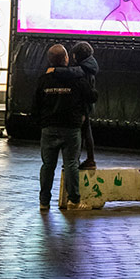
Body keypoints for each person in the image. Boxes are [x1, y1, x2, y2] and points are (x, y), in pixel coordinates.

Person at [34, 44, 97, 212]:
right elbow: (92, 96)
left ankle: (44, 202)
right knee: (71, 164)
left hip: (48, 128)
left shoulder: (43, 79)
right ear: (66, 59)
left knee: (47, 165)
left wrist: (42, 123)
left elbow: (35, 105)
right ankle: (73, 201)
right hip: (71, 128)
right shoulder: (77, 78)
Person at [50, 42, 100, 170]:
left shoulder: (83, 69)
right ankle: (86, 159)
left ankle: (82, 159)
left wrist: (55, 71)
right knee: (85, 132)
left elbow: (73, 72)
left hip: (83, 106)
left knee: (82, 133)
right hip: (86, 105)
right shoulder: (90, 66)